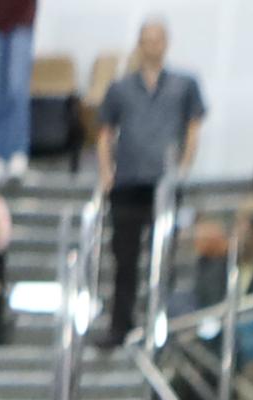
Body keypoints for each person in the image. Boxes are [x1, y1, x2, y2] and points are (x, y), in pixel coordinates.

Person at [90, 20, 201, 338]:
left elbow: (193, 126)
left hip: (163, 186)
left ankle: (159, 322)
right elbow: (105, 132)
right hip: (127, 184)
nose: (152, 46)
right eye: (146, 40)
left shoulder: (184, 85)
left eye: (157, 39)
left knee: (163, 258)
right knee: (124, 260)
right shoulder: (120, 88)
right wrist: (105, 172)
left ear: (166, 43)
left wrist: (183, 168)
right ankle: (119, 325)